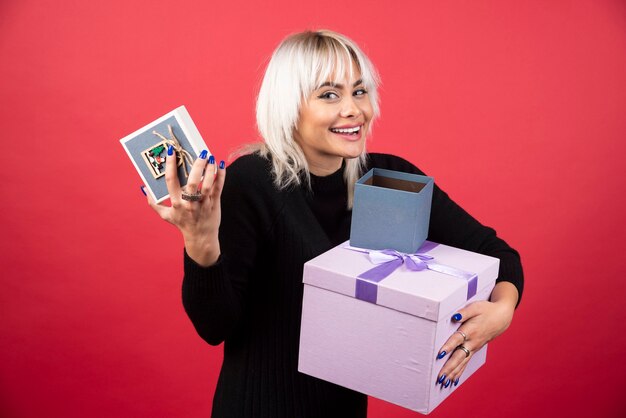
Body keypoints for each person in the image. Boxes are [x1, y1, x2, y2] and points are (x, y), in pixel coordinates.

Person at [146, 30, 523, 418]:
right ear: (289, 106)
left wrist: (501, 312)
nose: (353, 109)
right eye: (329, 94)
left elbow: (498, 255)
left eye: (359, 92)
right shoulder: (252, 181)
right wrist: (201, 240)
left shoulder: (390, 178)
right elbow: (214, 325)